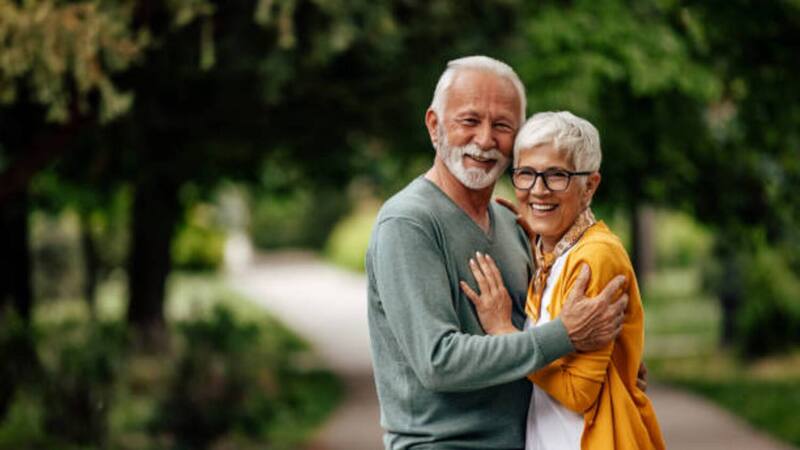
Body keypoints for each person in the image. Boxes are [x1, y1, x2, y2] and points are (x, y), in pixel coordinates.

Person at [366, 55, 630, 449]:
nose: (486, 139)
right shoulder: (408, 223)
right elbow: (439, 361)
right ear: (435, 125)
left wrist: (606, 365)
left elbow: (532, 341)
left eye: (502, 126)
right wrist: (566, 335)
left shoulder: (510, 223)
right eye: (469, 120)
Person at [462, 111, 666, 449]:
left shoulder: (595, 257)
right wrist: (534, 241)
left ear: (590, 186)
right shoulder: (554, 255)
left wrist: (504, 332)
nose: (538, 190)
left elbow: (578, 392)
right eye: (526, 174)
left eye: (557, 175)